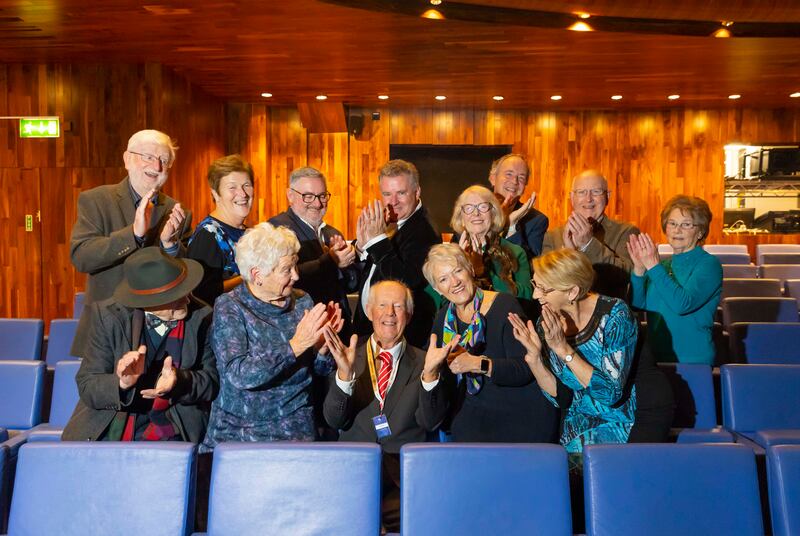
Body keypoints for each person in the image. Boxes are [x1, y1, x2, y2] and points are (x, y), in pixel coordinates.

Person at [200, 222, 342, 451]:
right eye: (287, 269)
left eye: (295, 265)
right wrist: (295, 345)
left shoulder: (302, 301)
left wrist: (322, 349)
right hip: (240, 435)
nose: (296, 275)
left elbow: (319, 371)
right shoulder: (230, 307)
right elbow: (239, 373)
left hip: (296, 431)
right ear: (257, 275)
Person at [62, 247, 219, 442]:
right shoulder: (110, 317)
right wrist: (121, 383)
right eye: (175, 297)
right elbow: (88, 384)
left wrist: (180, 381)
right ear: (147, 302)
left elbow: (212, 382)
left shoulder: (202, 316)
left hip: (174, 422)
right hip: (115, 420)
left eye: (185, 290)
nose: (187, 300)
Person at [323, 280, 443, 532]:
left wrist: (431, 376)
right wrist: (344, 377)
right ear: (369, 311)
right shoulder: (347, 355)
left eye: (398, 306)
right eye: (383, 305)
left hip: (403, 478)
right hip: (353, 471)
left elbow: (430, 422)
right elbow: (335, 421)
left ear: (408, 315)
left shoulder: (426, 361)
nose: (390, 313)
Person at [418, 244, 559, 443]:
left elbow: (526, 368)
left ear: (471, 269)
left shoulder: (505, 306)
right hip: (471, 422)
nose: (455, 282)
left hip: (517, 420)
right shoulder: (443, 320)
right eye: (443, 279)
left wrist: (478, 364)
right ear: (436, 289)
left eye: (458, 271)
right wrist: (430, 371)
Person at [70, 129, 191, 356]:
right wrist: (133, 235)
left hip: (159, 335)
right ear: (127, 159)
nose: (155, 167)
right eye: (148, 156)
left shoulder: (178, 211)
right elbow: (81, 257)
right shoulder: (96, 201)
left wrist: (169, 245)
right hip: (105, 331)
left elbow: (185, 277)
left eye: (163, 160)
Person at [508, 248, 638, 452]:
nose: (535, 295)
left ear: (572, 292)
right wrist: (534, 358)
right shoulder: (547, 321)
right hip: (573, 435)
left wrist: (563, 349)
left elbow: (610, 394)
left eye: (543, 289)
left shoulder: (615, 316)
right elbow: (560, 397)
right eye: (535, 285)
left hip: (616, 433)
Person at [353, 159, 441, 348]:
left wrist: (375, 241)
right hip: (369, 332)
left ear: (417, 192)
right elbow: (375, 267)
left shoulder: (425, 231)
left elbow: (406, 280)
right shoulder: (393, 222)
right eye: (387, 194)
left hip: (399, 339)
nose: (393, 202)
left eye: (401, 193)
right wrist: (361, 246)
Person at [628, 195, 722, 364]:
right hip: (655, 358)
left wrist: (652, 266)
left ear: (700, 231)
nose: (677, 230)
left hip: (692, 360)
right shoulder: (661, 266)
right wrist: (639, 269)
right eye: (672, 223)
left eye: (686, 224)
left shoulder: (709, 265)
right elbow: (638, 304)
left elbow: (682, 305)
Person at [269, 166, 358, 336]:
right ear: (290, 196)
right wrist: (331, 261)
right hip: (304, 333)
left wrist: (353, 255)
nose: (317, 203)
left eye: (322, 196)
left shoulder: (332, 233)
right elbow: (283, 281)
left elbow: (350, 285)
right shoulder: (277, 230)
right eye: (308, 196)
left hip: (340, 330)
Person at [542, 169, 638, 299]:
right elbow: (544, 282)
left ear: (608, 196)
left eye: (596, 192)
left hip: (607, 312)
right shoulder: (552, 237)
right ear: (571, 197)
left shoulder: (626, 232)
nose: (588, 199)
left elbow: (627, 276)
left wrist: (588, 244)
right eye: (581, 192)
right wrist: (568, 254)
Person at [187, 154, 254, 305]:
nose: (242, 194)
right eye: (232, 187)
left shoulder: (248, 232)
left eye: (247, 185)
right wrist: (251, 276)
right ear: (216, 194)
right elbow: (202, 294)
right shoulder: (208, 235)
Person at [450, 185, 532, 299]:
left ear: (494, 214)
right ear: (461, 218)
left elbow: (527, 295)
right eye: (468, 208)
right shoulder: (451, 254)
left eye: (483, 207)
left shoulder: (515, 251)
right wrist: (458, 263)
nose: (476, 214)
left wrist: (483, 271)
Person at [488, 153, 549, 259]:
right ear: (493, 178)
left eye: (521, 178)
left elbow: (530, 266)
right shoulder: (472, 211)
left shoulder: (537, 221)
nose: (514, 181)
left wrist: (512, 227)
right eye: (509, 174)